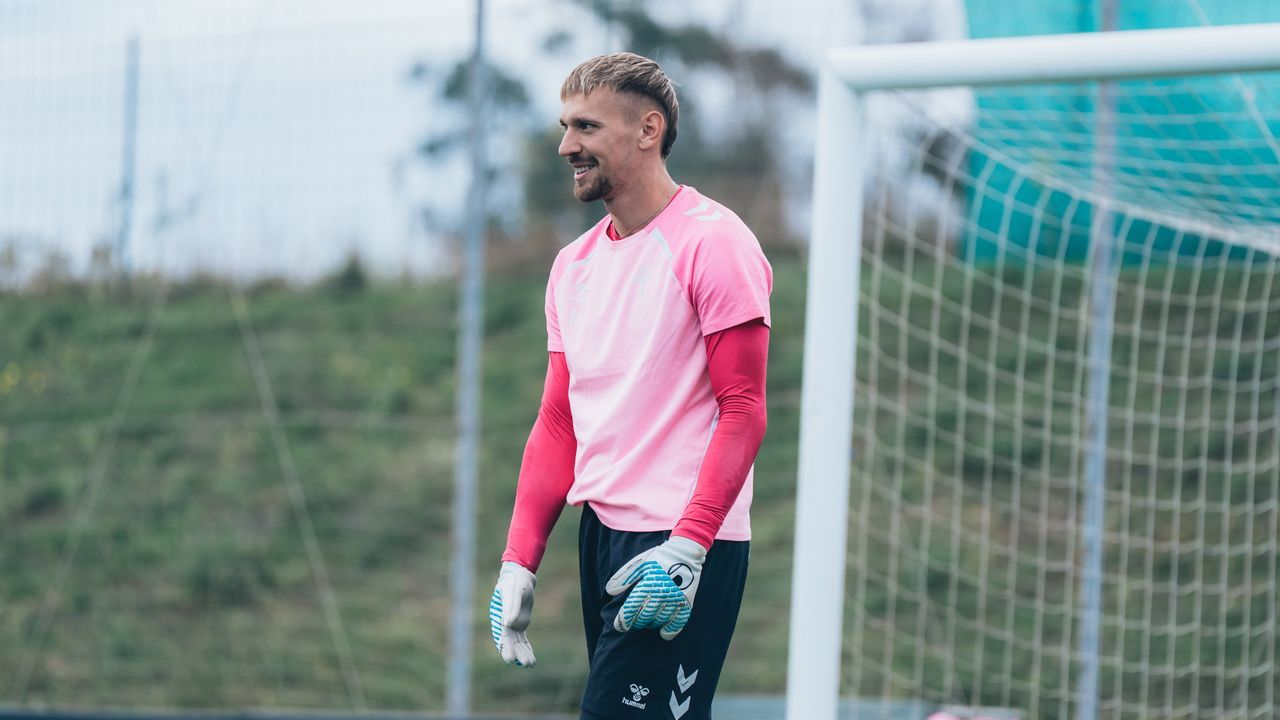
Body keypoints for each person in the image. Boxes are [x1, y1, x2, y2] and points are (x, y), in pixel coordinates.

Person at [489, 52, 772, 720]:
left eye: (585, 126)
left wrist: (689, 547)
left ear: (649, 130)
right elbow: (559, 420)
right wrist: (519, 558)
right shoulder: (572, 266)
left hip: (681, 542)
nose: (566, 145)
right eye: (565, 127)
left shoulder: (714, 243)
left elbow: (744, 407)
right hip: (603, 535)